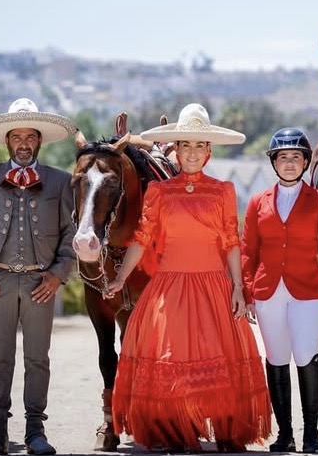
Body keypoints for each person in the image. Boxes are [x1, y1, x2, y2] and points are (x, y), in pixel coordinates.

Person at [105, 103, 271, 453]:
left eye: (199, 146)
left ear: (208, 151)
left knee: (220, 360)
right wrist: (121, 276)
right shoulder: (159, 192)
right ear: (175, 150)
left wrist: (239, 288)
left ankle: (226, 432)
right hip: (170, 289)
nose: (192, 153)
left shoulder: (223, 190)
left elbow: (230, 242)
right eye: (186, 145)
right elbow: (142, 239)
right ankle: (178, 431)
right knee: (172, 360)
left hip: (214, 287)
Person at [0, 98, 78, 456]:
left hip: (40, 283)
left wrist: (58, 276)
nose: (24, 143)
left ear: (39, 141)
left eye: (30, 136)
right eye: (17, 136)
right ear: (7, 141)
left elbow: (71, 235)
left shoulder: (60, 181)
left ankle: (35, 431)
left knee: (37, 358)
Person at [240, 127, 318, 453]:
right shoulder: (258, 201)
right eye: (283, 157)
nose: (289, 163)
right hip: (268, 291)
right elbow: (248, 250)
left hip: (307, 292)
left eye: (295, 158)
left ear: (304, 163)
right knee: (276, 358)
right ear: (274, 162)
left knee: (305, 355)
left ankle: (311, 435)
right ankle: (284, 434)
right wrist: (246, 292)